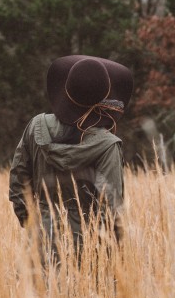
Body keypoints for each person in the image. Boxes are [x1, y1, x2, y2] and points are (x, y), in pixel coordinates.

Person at [8, 55, 133, 264]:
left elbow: (18, 186)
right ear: (101, 98)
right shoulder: (108, 145)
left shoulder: (35, 126)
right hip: (88, 255)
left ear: (66, 90)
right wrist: (108, 261)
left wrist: (35, 226)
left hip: (39, 247)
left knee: (39, 296)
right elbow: (111, 212)